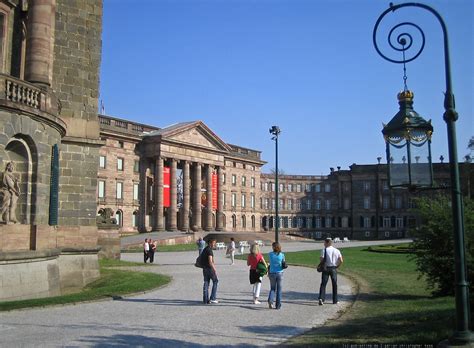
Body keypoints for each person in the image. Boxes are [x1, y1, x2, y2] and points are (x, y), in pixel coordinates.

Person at [318, 237, 343, 305]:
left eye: (324, 242)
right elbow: (341, 260)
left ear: (327, 243)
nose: (324, 244)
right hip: (333, 268)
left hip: (326, 268)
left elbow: (321, 259)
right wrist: (337, 266)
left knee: (323, 284)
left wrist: (321, 264)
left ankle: (321, 298)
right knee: (334, 284)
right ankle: (335, 300)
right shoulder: (337, 250)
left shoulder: (324, 250)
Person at [267, 242, 285, 309]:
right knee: (279, 289)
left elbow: (269, 262)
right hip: (280, 273)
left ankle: (271, 300)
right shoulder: (282, 255)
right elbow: (284, 263)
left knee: (272, 288)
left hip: (272, 273)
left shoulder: (270, 254)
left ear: (273, 247)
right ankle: (278, 305)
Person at [201, 239, 219, 304]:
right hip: (209, 269)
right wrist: (214, 269)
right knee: (215, 281)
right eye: (214, 243)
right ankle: (213, 298)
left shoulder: (205, 249)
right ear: (210, 243)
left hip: (204, 269)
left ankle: (205, 300)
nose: (214, 244)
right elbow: (210, 262)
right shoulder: (209, 250)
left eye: (215, 243)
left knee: (206, 283)